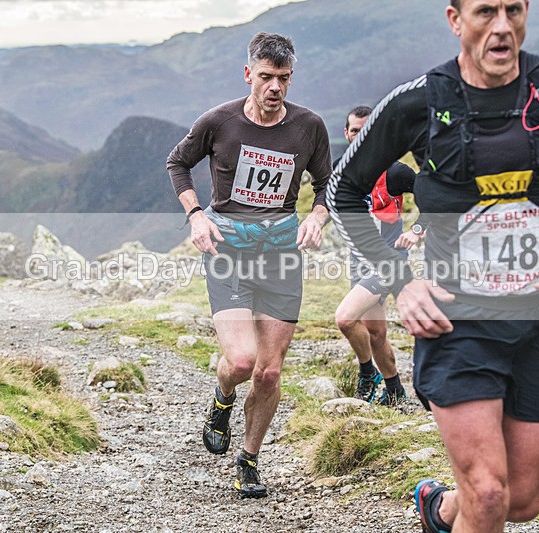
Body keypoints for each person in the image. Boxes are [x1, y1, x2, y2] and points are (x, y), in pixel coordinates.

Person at [326, 1, 539, 532]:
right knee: (489, 494)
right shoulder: (417, 101)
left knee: (521, 501)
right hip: (456, 320)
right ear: (455, 20)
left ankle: (439, 509)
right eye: (486, 11)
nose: (501, 26)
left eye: (513, 10)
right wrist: (401, 282)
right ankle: (465, 504)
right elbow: (343, 189)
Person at [166, 32, 331, 499]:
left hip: (280, 250)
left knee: (270, 371)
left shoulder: (309, 126)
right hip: (228, 248)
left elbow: (328, 184)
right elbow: (178, 162)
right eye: (265, 78)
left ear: (290, 77)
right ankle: (222, 397)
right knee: (241, 362)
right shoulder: (218, 121)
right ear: (248, 75)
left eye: (282, 79)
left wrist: (317, 217)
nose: (274, 87)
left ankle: (249, 460)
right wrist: (196, 215)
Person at [333, 106, 418, 406]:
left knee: (345, 319)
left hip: (388, 262)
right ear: (346, 133)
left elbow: (433, 197)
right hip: (359, 262)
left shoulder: (395, 172)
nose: (360, 136)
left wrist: (418, 230)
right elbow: (325, 200)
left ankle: (367, 372)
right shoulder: (340, 169)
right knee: (376, 332)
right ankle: (395, 392)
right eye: (355, 131)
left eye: (366, 130)